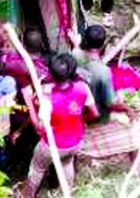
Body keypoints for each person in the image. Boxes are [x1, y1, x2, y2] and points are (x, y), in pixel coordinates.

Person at [23, 53, 99, 196]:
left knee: (37, 169)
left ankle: (27, 195)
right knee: (67, 164)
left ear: (51, 74)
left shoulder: (48, 98)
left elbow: (39, 128)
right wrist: (79, 119)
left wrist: (29, 102)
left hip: (53, 144)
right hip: (76, 141)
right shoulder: (82, 87)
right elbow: (94, 113)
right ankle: (67, 192)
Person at [73, 26, 140, 165]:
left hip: (78, 108)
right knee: (137, 128)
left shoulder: (74, 55)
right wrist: (128, 109)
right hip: (95, 115)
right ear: (103, 45)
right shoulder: (103, 72)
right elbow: (110, 103)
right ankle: (135, 168)